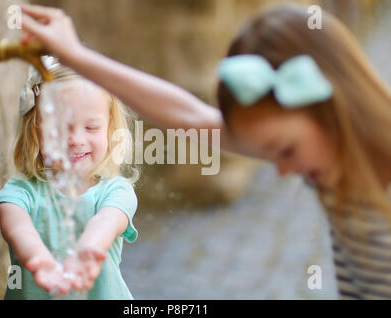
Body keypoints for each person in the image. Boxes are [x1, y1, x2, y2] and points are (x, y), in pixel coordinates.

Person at [20, 3, 391, 299]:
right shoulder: (334, 162)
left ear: (330, 108)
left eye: (285, 149)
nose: (280, 170)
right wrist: (77, 56)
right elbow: (190, 117)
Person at [0, 56, 139, 299]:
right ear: (35, 129)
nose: (76, 140)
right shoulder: (19, 192)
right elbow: (16, 228)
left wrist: (87, 249)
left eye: (91, 128)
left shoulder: (116, 191)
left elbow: (106, 221)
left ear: (110, 129)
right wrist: (38, 258)